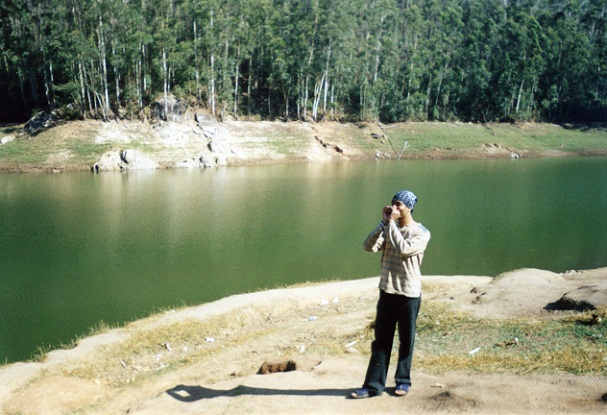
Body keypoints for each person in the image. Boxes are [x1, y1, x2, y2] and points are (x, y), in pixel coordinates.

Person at [350, 190, 431, 399]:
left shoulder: (421, 232)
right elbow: (368, 247)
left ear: (409, 207)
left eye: (399, 205)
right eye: (393, 204)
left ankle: (403, 381)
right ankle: (373, 386)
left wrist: (391, 225)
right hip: (387, 291)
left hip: (409, 294)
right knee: (381, 341)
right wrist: (382, 224)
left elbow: (404, 249)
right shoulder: (389, 227)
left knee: (406, 340)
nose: (394, 208)